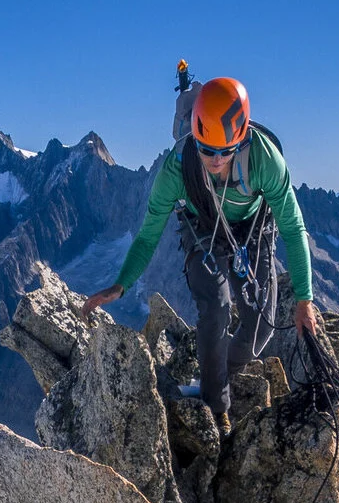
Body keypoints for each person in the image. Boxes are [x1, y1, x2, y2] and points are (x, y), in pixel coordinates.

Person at [83, 76, 318, 434]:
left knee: (261, 324)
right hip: (203, 228)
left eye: (225, 151)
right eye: (207, 150)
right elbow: (148, 235)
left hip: (253, 230)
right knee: (216, 309)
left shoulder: (266, 159)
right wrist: (121, 285)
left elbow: (293, 227)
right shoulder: (177, 168)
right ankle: (215, 407)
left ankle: (216, 372)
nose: (215, 159)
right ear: (194, 136)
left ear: (242, 139)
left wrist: (304, 299)